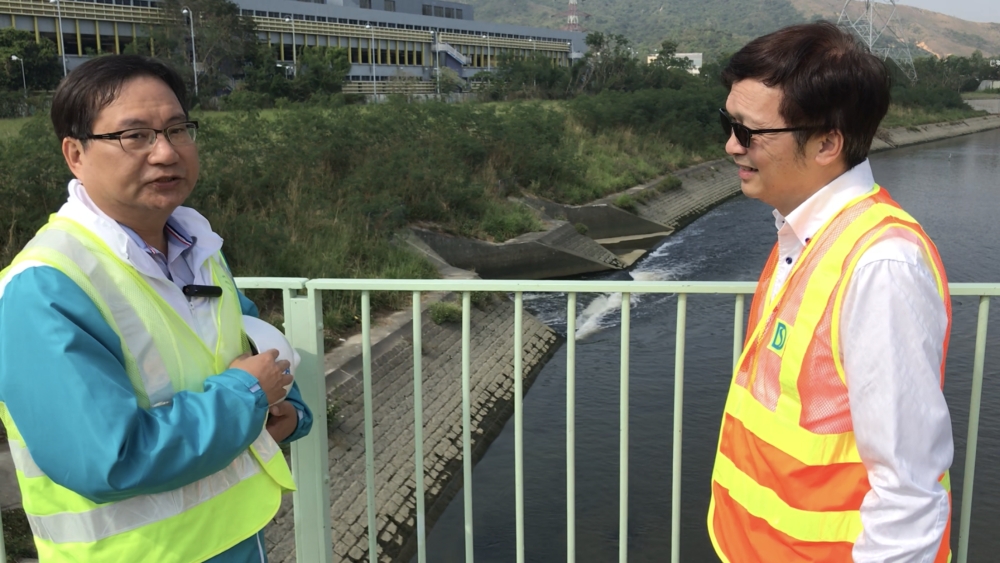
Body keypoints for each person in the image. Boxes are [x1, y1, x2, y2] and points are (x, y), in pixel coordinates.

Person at [0, 55, 313, 562]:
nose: (166, 152)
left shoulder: (196, 244)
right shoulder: (45, 288)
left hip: (237, 534)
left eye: (176, 129)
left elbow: (243, 338)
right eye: (135, 135)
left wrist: (286, 409)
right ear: (75, 154)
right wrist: (246, 395)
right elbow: (106, 458)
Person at [707, 22, 953, 562]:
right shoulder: (804, 236)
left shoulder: (880, 266)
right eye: (727, 123)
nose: (731, 145)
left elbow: (908, 492)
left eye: (749, 132)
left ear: (826, 142)